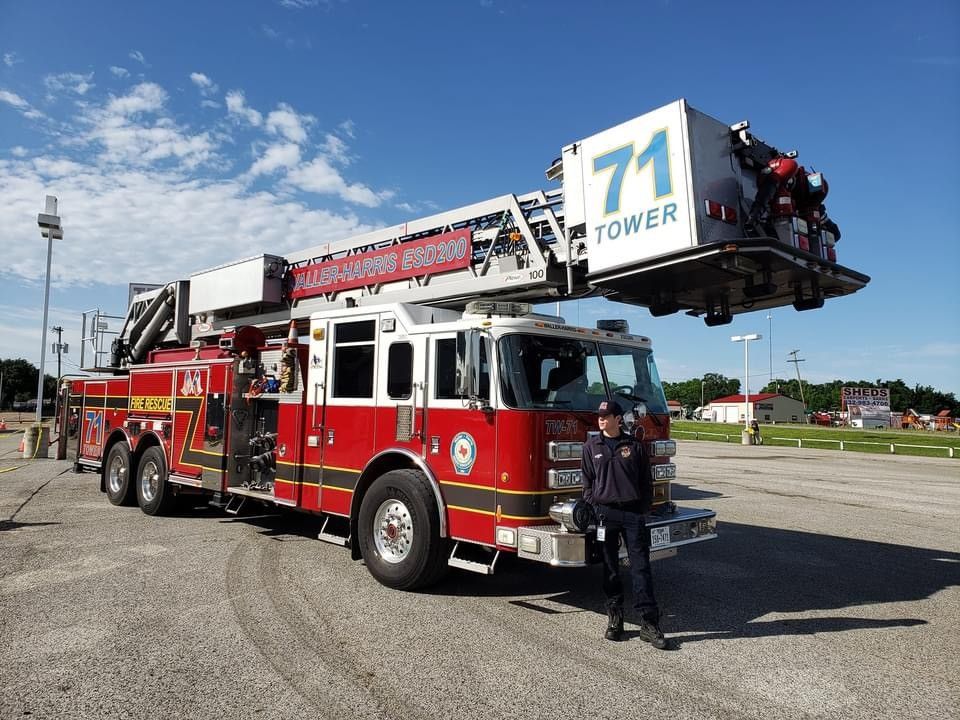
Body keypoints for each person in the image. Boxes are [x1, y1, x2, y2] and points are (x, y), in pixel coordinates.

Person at [581, 398, 667, 649]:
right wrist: (594, 506)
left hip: (632, 516)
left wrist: (642, 511)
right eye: (599, 415)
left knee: (640, 569)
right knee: (609, 569)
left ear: (618, 419)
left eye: (606, 416)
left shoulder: (634, 446)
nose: (601, 419)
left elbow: (645, 482)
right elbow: (586, 481)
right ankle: (615, 619)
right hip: (605, 516)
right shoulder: (591, 446)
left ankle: (649, 624)